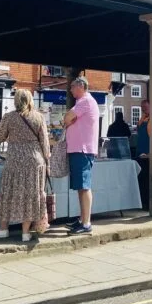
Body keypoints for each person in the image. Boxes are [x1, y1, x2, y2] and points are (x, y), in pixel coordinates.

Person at [0, 89, 50, 242]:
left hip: (15, 160)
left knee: (8, 193)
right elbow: (45, 143)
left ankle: (3, 229)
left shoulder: (9, 117)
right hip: (35, 161)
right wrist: (47, 161)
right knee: (31, 195)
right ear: (30, 100)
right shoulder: (38, 117)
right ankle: (25, 233)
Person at [64, 76, 99, 235]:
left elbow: (66, 118)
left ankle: (86, 223)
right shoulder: (82, 102)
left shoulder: (85, 101)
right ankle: (82, 219)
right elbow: (69, 120)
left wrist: (70, 121)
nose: (70, 90)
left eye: (72, 87)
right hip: (79, 149)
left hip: (82, 149)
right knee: (80, 186)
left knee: (84, 187)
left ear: (81, 87)